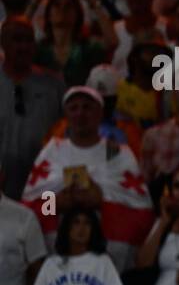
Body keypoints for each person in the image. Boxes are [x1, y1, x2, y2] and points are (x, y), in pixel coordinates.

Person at [22, 86, 154, 272]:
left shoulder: (116, 153)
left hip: (107, 256)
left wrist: (101, 200)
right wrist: (56, 203)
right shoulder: (53, 150)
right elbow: (30, 208)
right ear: (65, 114)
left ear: (100, 113)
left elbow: (140, 212)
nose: (80, 113)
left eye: (87, 107)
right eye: (73, 108)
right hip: (58, 255)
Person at [0, 15, 66, 199]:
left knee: (48, 226)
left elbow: (67, 134)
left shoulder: (54, 85)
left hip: (47, 187)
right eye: (17, 39)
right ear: (3, 43)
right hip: (2, 191)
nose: (24, 46)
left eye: (29, 40)